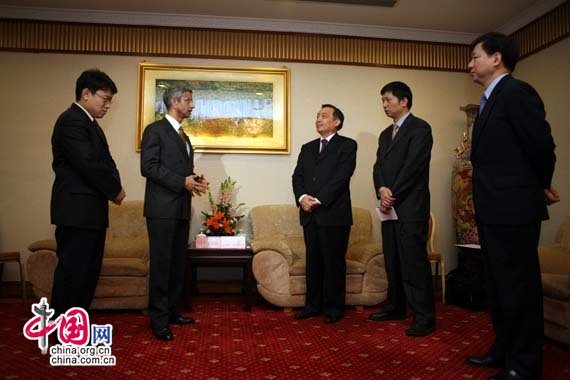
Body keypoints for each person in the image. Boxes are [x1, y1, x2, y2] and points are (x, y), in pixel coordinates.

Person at [465, 32, 559, 380]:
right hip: (493, 210)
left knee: (518, 288)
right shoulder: (489, 99)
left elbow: (542, 146)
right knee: (499, 286)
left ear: (497, 58)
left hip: (514, 209)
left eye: (475, 56)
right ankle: (503, 351)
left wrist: (540, 184)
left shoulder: (517, 92)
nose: (470, 64)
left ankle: (524, 365)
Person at [50, 68, 126, 319]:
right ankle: (64, 331)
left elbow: (106, 161)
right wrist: (114, 190)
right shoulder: (72, 120)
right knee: (74, 273)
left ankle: (76, 327)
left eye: (110, 101)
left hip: (90, 213)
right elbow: (88, 163)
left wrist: (115, 184)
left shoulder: (89, 123)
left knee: (88, 273)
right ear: (85, 94)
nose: (107, 106)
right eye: (104, 99)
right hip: (76, 213)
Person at [141, 84, 209, 341]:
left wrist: (195, 181)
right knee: (161, 264)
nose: (192, 105)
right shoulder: (154, 130)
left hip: (180, 209)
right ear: (174, 101)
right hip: (161, 209)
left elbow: (181, 172)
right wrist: (182, 181)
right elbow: (148, 167)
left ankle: (171, 312)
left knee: (176, 264)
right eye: (188, 100)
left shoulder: (184, 135)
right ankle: (158, 321)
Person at [368, 81, 435, 337]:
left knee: (413, 263)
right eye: (383, 101)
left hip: (410, 206)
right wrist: (381, 189)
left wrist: (392, 193)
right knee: (393, 259)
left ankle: (424, 318)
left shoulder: (421, 128)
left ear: (404, 101)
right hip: (389, 207)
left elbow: (414, 165)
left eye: (388, 100)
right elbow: (378, 168)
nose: (384, 105)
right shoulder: (386, 134)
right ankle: (395, 307)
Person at [292, 104, 357, 324]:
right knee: (314, 262)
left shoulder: (347, 145)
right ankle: (312, 306)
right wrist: (302, 199)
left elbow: (342, 177)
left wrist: (318, 200)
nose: (318, 119)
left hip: (334, 214)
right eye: (317, 116)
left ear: (336, 122)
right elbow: (297, 176)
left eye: (324, 116)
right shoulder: (307, 147)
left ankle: (333, 308)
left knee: (334, 262)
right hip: (309, 214)